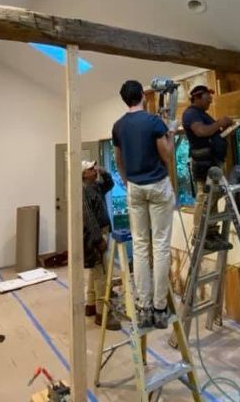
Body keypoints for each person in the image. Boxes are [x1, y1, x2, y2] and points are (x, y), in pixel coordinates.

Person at [112, 80, 176, 330]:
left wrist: (129, 183)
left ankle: (143, 306)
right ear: (142, 96)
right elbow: (167, 155)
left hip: (135, 188)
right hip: (157, 186)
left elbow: (119, 161)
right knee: (159, 246)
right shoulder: (153, 122)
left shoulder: (118, 126)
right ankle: (160, 308)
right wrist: (170, 131)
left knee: (139, 247)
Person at [182, 84, 234, 251]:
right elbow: (201, 132)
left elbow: (211, 133)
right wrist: (219, 122)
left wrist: (223, 130)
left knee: (213, 195)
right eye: (207, 99)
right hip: (203, 163)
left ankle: (210, 232)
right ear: (197, 97)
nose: (210, 102)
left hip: (212, 161)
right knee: (204, 197)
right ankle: (199, 234)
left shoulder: (203, 114)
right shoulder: (190, 114)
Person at [81, 159, 120, 331]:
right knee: (101, 275)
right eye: (91, 169)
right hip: (94, 237)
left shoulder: (95, 187)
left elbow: (110, 183)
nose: (94, 170)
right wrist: (98, 240)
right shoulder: (83, 192)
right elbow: (89, 219)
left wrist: (103, 171)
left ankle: (90, 305)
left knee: (94, 272)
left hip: (102, 232)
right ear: (84, 174)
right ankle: (102, 314)